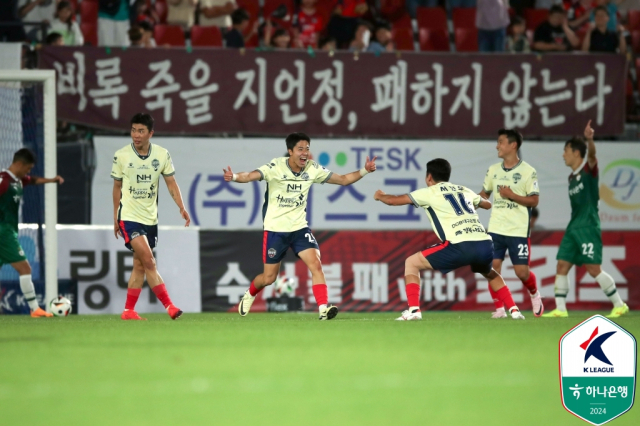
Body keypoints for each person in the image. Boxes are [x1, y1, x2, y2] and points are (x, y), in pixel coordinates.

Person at [223, 132, 378, 320]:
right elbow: (249, 176)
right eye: (300, 149)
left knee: (316, 265)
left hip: (299, 229)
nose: (305, 153)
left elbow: (343, 180)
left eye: (307, 149)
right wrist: (234, 177)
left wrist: (364, 170)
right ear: (290, 151)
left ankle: (323, 309)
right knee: (269, 278)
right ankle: (249, 295)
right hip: (275, 230)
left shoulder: (312, 169)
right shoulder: (276, 167)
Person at [374, 158, 525, 321]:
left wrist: (380, 196)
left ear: (429, 177)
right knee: (491, 274)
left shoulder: (428, 192)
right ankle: (515, 310)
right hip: (485, 244)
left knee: (411, 263)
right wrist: (474, 204)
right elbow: (488, 205)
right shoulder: (464, 190)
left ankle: (414, 310)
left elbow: (392, 201)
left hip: (460, 245)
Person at [543, 121, 629, 318]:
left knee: (593, 269)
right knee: (562, 265)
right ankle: (561, 310)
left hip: (588, 225)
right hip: (574, 226)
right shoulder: (571, 178)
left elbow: (591, 156)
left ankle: (619, 304)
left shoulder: (588, 171)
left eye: (566, 150)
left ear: (576, 153)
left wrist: (589, 139)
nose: (563, 154)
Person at [111, 113, 190, 321]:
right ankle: (170, 306)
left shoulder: (162, 155)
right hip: (128, 216)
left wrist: (181, 207)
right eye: (133, 130)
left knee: (139, 265)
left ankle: (128, 311)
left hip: (150, 219)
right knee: (149, 261)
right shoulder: (122, 155)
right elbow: (117, 187)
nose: (136, 135)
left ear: (150, 133)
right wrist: (115, 217)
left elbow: (171, 183)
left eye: (141, 131)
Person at [478, 129, 543, 318]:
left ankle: (534, 293)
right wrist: (470, 202)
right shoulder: (493, 170)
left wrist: (511, 195)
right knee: (491, 269)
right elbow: (485, 195)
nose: (497, 146)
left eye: (500, 142)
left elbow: (534, 201)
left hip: (518, 230)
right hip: (496, 228)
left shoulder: (528, 172)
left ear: (513, 145)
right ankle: (499, 309)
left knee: (522, 272)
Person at [0, 148, 64, 317]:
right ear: (19, 164)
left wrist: (51, 180)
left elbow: (33, 180)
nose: (28, 172)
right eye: (27, 168)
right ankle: (35, 308)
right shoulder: (3, 180)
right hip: (3, 232)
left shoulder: (18, 180)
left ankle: (35, 309)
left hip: (8, 231)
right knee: (24, 268)